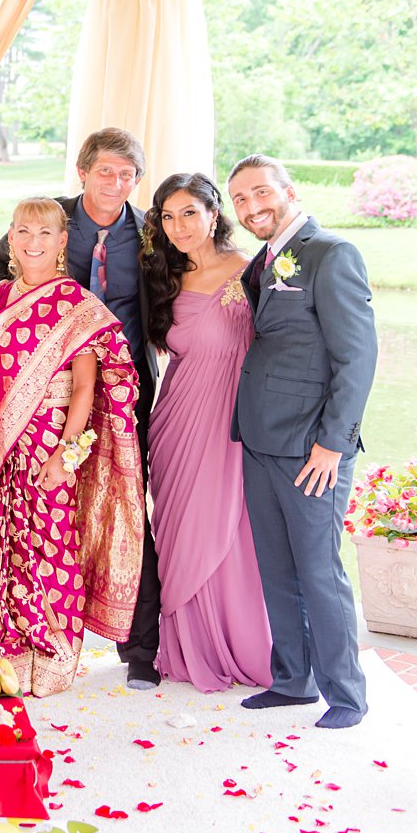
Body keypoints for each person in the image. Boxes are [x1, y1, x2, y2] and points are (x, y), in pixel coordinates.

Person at [0, 127, 163, 689]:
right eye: (104, 171)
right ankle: (4, 641)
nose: (115, 183)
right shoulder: (44, 221)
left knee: (121, 504)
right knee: (8, 531)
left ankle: (139, 649)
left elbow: (169, 295)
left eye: (126, 174)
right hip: (14, 409)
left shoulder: (151, 234)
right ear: (82, 173)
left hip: (116, 392)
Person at [229, 154, 378, 730]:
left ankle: (347, 695)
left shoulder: (331, 254)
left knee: (319, 571)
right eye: (240, 199)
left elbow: (356, 357)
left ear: (290, 191)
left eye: (261, 193)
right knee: (276, 568)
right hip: (261, 439)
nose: (251, 207)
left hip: (312, 449)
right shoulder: (264, 261)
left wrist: (332, 446)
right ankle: (293, 680)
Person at [140, 173, 272, 693]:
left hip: (230, 419)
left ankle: (237, 644)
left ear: (214, 214)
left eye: (189, 213)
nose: (179, 226)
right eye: (169, 217)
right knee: (175, 526)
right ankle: (182, 646)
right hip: (176, 418)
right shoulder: (163, 275)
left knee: (227, 527)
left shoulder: (251, 271)